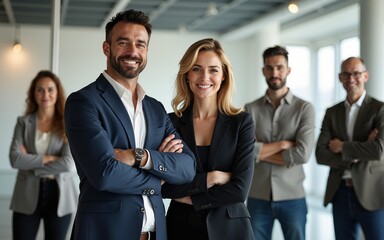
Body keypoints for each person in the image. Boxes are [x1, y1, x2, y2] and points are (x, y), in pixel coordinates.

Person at [64, 9, 196, 240]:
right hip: (104, 232)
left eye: (140, 44)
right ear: (107, 48)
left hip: (155, 234)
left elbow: (187, 167)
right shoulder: (84, 102)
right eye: (123, 42)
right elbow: (105, 174)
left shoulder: (155, 108)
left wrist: (141, 157)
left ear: (146, 51)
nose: (132, 51)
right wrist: (160, 177)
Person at [161, 38, 255, 240]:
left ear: (223, 77)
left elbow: (239, 190)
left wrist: (191, 197)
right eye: (196, 69)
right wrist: (211, 178)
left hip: (231, 230)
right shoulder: (170, 123)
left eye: (213, 70)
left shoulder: (241, 122)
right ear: (187, 75)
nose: (205, 77)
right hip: (181, 229)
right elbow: (164, 186)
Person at [244, 45, 315, 240]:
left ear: (288, 70)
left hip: (293, 197)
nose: (274, 72)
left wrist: (260, 152)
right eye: (269, 67)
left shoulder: (304, 108)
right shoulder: (250, 109)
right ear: (263, 71)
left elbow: (303, 154)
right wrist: (284, 145)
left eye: (279, 67)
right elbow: (245, 152)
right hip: (257, 194)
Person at [315, 56, 384, 240]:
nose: (351, 78)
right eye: (346, 74)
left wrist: (342, 146)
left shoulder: (380, 109)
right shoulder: (332, 112)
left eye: (356, 73)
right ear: (340, 77)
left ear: (366, 76)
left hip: (372, 193)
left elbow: (378, 151)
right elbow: (320, 154)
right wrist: (357, 153)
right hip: (340, 193)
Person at [9, 70, 78, 240]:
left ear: (57, 92)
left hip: (60, 195)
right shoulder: (23, 123)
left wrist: (33, 165)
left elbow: (68, 163)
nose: (45, 94)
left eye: (50, 89)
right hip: (26, 193)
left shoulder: (68, 123)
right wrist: (49, 158)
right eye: (40, 89)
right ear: (34, 93)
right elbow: (15, 158)